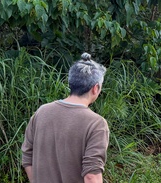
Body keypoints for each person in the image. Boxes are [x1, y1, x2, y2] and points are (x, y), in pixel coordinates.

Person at [21, 52, 109, 183]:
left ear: (71, 82)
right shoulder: (96, 123)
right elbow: (91, 176)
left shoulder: (42, 112)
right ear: (95, 88)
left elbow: (27, 156)